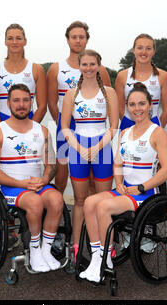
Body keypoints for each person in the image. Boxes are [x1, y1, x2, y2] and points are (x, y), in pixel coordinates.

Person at [79, 82, 167, 283]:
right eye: (132, 104)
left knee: (103, 207)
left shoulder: (158, 133)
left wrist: (141, 187)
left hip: (146, 194)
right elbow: (118, 163)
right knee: (89, 202)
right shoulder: (124, 133)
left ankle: (107, 259)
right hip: (125, 190)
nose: (137, 108)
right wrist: (119, 183)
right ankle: (97, 258)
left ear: (150, 105)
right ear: (127, 108)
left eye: (141, 104)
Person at [0, 83, 63, 272]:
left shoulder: (42, 130)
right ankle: (34, 251)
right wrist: (20, 183)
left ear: (31, 102)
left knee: (57, 200)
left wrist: (44, 179)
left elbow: (51, 164)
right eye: (16, 100)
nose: (21, 105)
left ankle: (46, 250)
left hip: (36, 184)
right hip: (10, 187)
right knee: (34, 203)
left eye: (26, 100)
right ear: (8, 103)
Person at [60, 49, 119, 259]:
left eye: (92, 64)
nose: (88, 68)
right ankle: (76, 248)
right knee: (79, 200)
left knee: (103, 203)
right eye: (84, 64)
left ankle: (106, 249)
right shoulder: (70, 94)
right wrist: (79, 148)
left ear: (99, 66)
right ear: (79, 66)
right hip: (78, 149)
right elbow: (65, 127)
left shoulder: (109, 93)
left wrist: (96, 147)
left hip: (102, 149)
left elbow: (114, 126)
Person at [47, 21, 112, 194]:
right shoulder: (56, 69)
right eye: (74, 37)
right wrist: (62, 123)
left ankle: (90, 216)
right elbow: (52, 103)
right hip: (66, 125)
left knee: (91, 179)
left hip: (92, 127)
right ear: (67, 40)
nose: (78, 41)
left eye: (81, 37)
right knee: (61, 174)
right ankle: (59, 214)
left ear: (87, 40)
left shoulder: (100, 70)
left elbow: (107, 103)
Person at [0, 24, 47, 124]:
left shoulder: (37, 69)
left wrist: (30, 129)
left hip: (29, 121)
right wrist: (2, 130)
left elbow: (43, 107)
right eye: (10, 38)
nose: (14, 42)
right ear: (5, 42)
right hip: (3, 121)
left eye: (18, 38)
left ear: (25, 41)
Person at [115, 34, 167, 131]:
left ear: (153, 51)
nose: (144, 52)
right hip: (127, 125)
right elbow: (119, 109)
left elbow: (166, 111)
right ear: (134, 50)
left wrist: (157, 129)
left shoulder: (163, 76)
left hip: (153, 124)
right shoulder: (122, 76)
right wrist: (132, 128)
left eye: (148, 48)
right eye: (140, 48)